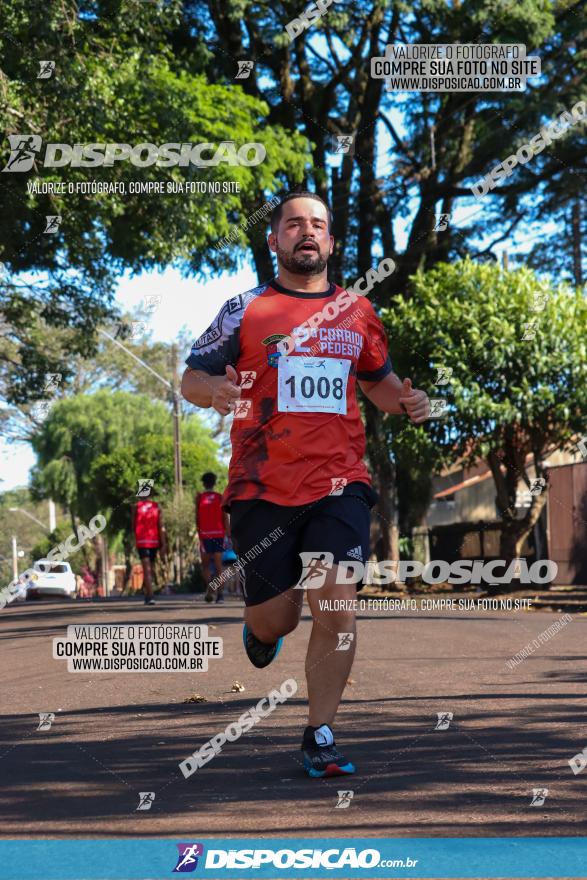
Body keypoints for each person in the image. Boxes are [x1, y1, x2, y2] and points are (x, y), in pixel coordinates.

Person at [181, 191, 430, 778]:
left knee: (337, 606)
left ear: (332, 241)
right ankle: (257, 626)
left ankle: (320, 732)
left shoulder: (357, 312)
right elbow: (193, 375)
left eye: (318, 223)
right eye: (293, 224)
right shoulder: (243, 309)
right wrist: (210, 390)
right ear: (275, 240)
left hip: (339, 482)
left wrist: (408, 402)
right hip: (261, 486)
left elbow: (379, 382)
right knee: (280, 621)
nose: (306, 232)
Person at [196, 472, 230, 604]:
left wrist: (199, 535)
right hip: (219, 535)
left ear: (203, 483)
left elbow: (196, 518)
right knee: (219, 566)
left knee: (205, 566)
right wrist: (228, 534)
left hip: (205, 536)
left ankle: (211, 588)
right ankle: (220, 595)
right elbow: (225, 517)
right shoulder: (220, 497)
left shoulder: (199, 498)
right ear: (214, 483)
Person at [132, 489, 167, 606]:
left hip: (142, 542)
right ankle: (150, 595)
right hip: (154, 542)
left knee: (147, 569)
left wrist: (135, 539)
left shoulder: (136, 507)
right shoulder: (157, 507)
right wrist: (163, 543)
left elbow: (133, 525)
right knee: (149, 569)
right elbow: (161, 526)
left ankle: (148, 594)